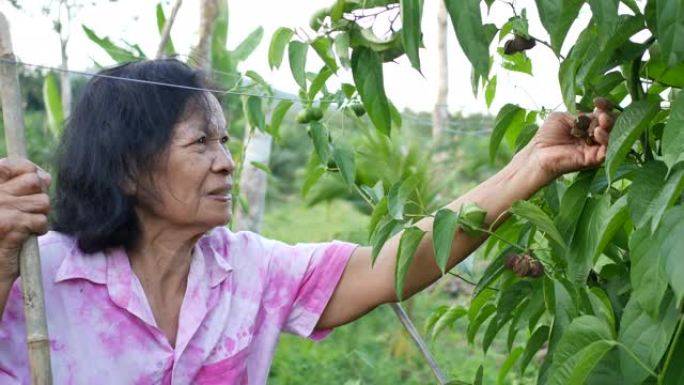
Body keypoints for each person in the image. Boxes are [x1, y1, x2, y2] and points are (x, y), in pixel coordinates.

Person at [0, 59, 614, 384]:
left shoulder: (246, 271)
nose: (226, 162)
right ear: (129, 168)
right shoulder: (33, 276)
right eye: (201, 144)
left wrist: (531, 166)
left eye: (225, 139)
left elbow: (395, 262)